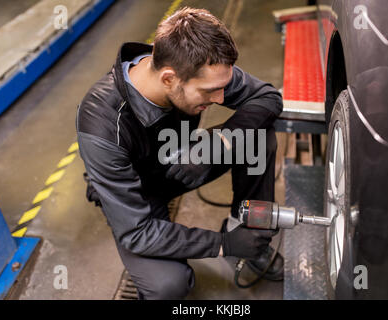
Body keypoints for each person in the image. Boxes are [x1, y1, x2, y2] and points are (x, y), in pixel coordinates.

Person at [76, 7, 284, 300]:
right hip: (139, 195)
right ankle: (236, 242)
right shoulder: (102, 126)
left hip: (184, 162)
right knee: (168, 286)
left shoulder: (196, 62)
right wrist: (223, 244)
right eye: (209, 91)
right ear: (168, 79)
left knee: (257, 137)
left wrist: (216, 146)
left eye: (222, 88)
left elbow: (267, 96)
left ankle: (250, 234)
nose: (221, 99)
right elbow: (136, 233)